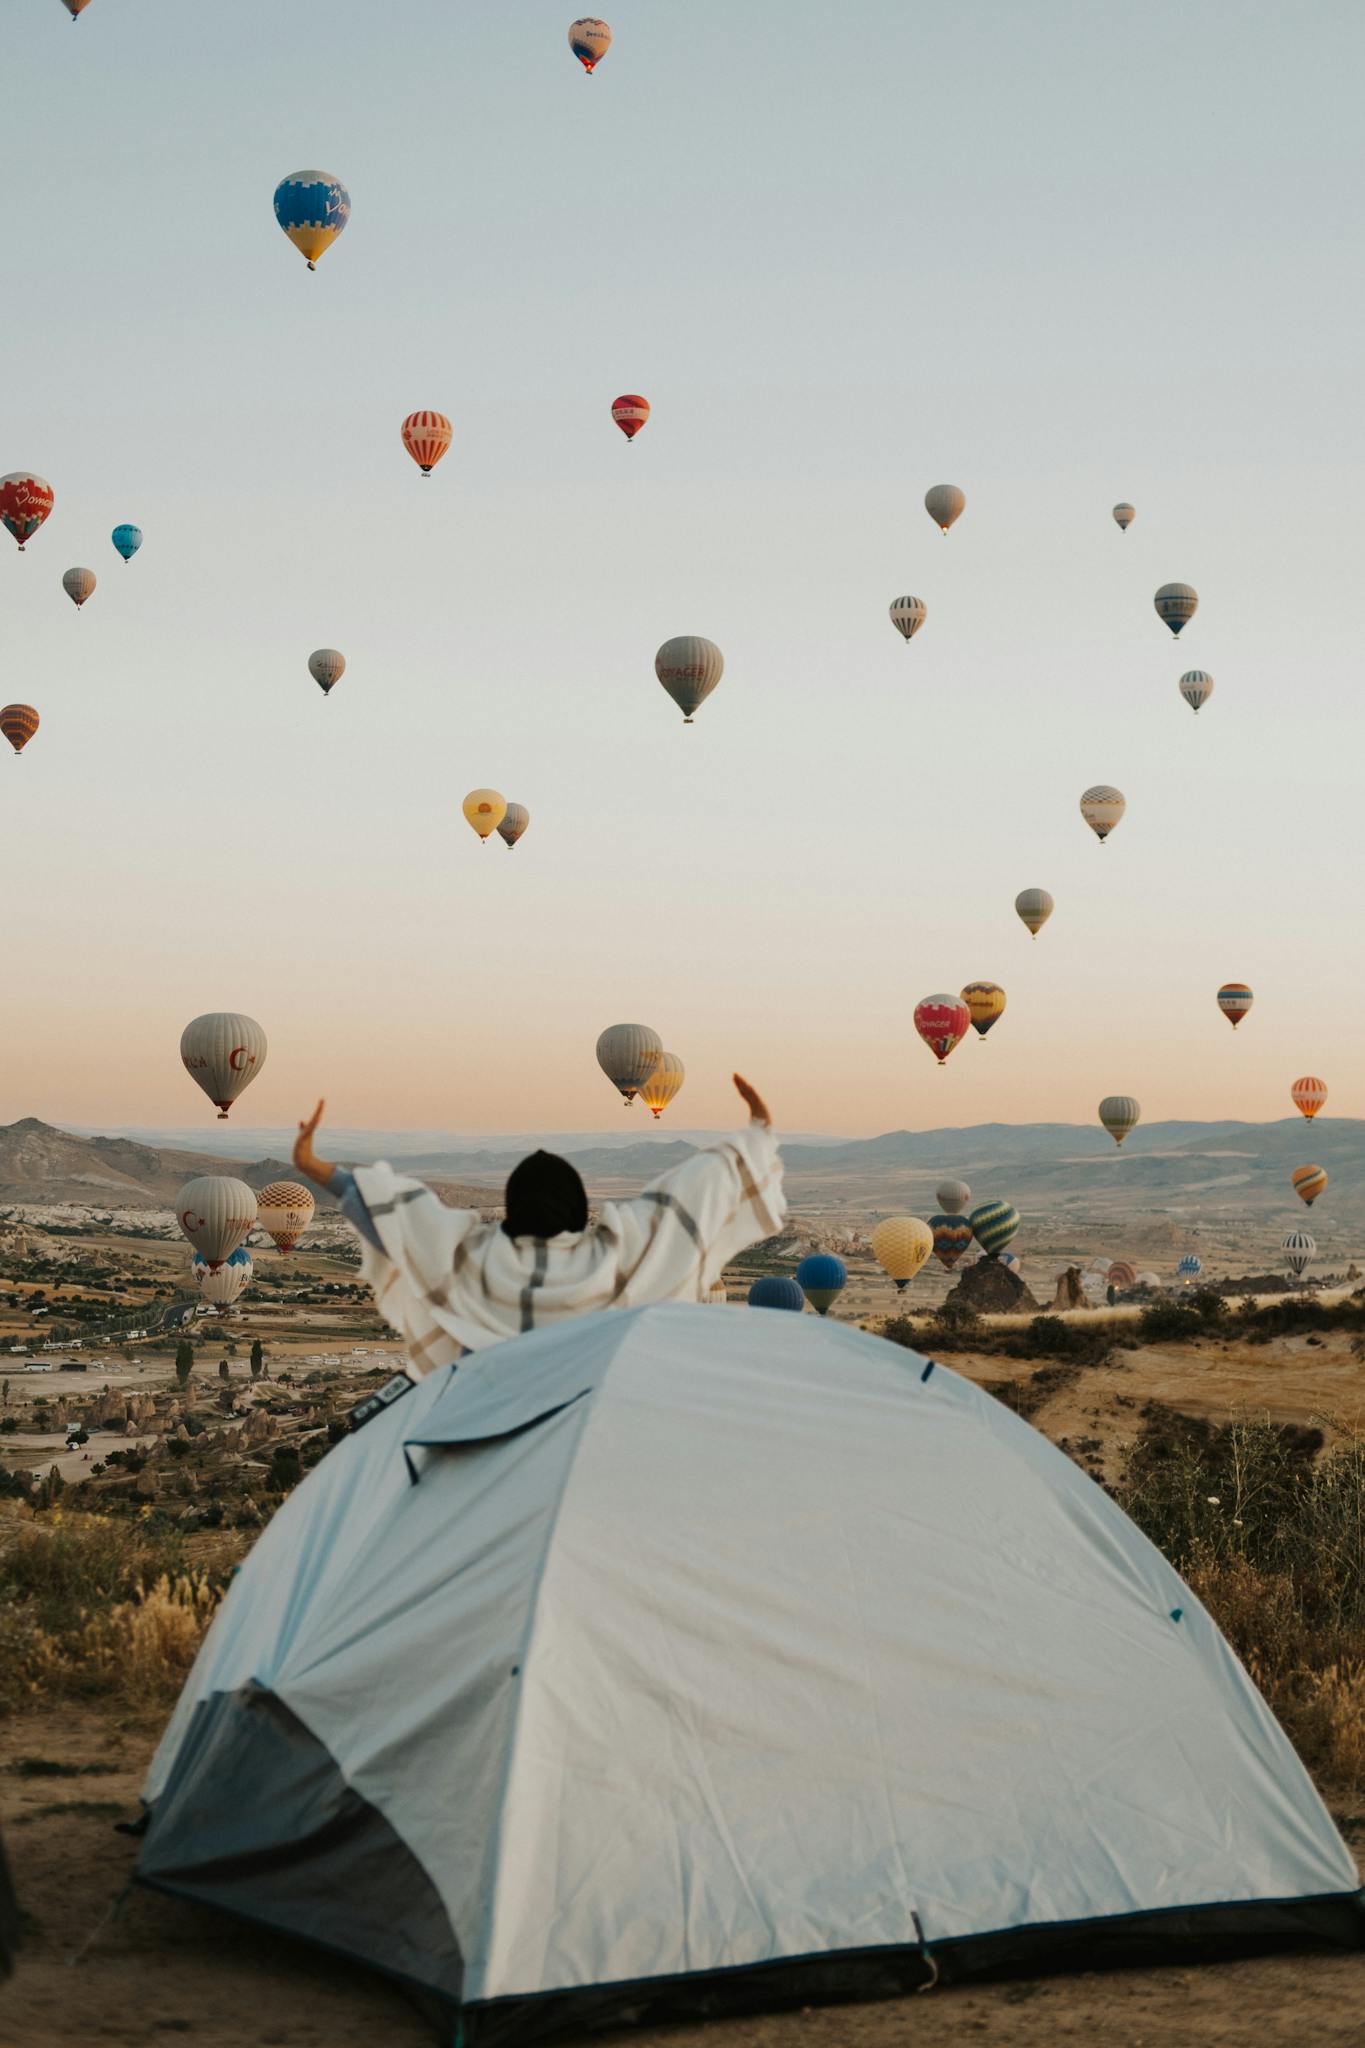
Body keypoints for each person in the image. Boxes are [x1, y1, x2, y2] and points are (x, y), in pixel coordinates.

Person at [293, 1074, 785, 1378]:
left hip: (490, 1420)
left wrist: (314, 1165)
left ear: (511, 1206)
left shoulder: (473, 1258)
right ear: (577, 1206)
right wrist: (756, 1135)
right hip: (591, 1416)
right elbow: (694, 1191)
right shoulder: (618, 1257)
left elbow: (397, 1214)